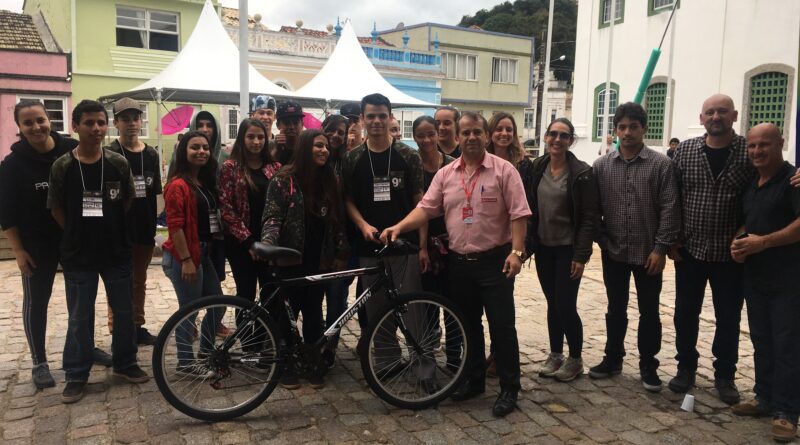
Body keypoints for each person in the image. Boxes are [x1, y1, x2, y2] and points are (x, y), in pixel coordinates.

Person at [381, 110, 530, 418]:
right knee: (467, 327)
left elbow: (519, 213)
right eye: (466, 133)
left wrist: (516, 252)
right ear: (458, 138)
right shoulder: (446, 175)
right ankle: (474, 380)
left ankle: (509, 388)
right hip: (460, 263)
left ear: (485, 136)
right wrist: (399, 227)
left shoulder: (504, 171)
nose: (472, 137)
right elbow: (426, 208)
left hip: (495, 262)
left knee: (502, 327)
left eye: (477, 132)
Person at [47, 100, 149, 403]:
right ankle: (77, 373)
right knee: (80, 315)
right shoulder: (63, 166)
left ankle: (125, 362)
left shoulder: (117, 162)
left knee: (124, 310)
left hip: (116, 251)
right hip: (78, 254)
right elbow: (55, 208)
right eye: (89, 123)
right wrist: (77, 231)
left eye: (101, 123)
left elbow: (127, 199)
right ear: (76, 126)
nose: (96, 128)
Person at [669, 94, 754, 404]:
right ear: (701, 117)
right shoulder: (686, 151)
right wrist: (672, 238)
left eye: (722, 111)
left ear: (733, 115)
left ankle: (725, 374)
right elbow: (673, 196)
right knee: (685, 313)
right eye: (710, 112)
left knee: (729, 316)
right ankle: (685, 368)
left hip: (730, 253)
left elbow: (763, 190)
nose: (716, 116)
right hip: (690, 250)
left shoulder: (749, 151)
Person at [589, 103, 680, 392]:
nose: (627, 132)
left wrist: (661, 248)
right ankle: (613, 357)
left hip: (647, 253)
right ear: (615, 130)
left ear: (644, 129)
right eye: (622, 127)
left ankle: (648, 364)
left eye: (634, 126)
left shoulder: (660, 164)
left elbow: (669, 207)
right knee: (615, 308)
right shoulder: (602, 166)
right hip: (614, 252)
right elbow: (593, 209)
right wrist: (602, 240)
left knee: (649, 311)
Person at [341, 93, 430, 383]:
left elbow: (422, 203)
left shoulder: (408, 156)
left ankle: (423, 368)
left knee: (414, 307)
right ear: (363, 120)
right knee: (377, 309)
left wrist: (422, 245)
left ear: (390, 117)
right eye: (371, 116)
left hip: (405, 247)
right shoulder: (353, 158)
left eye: (382, 115)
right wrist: (363, 225)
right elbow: (348, 201)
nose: (377, 121)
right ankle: (387, 364)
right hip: (370, 246)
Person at [261, 129, 349, 389]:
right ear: (304, 148)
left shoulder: (329, 179)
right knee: (286, 315)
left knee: (313, 313)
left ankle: (312, 361)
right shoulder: (283, 179)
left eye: (325, 147)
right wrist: (269, 243)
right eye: (317, 146)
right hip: (290, 258)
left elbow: (337, 220)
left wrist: (341, 251)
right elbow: (272, 216)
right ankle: (285, 364)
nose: (323, 150)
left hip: (318, 258)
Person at [0, 99, 78, 389]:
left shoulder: (71, 149)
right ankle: (39, 362)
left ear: (50, 120)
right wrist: (18, 250)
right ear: (19, 128)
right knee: (37, 301)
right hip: (35, 244)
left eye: (40, 120)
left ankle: (80, 348)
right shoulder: (12, 165)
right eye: (28, 122)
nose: (36, 127)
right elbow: (6, 213)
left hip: (71, 239)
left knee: (78, 298)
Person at [730, 123, 800, 443]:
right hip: (756, 277)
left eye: (764, 145)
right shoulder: (753, 184)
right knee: (762, 340)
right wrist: (740, 241)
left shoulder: (794, 181)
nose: (757, 151)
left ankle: (786, 411)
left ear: (781, 144)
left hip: (788, 279)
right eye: (752, 146)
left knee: (787, 344)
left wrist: (764, 243)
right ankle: (764, 397)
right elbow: (751, 221)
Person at [529, 118, 599, 382]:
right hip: (544, 248)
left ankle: (576, 359)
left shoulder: (581, 173)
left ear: (571, 141)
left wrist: (581, 256)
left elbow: (589, 217)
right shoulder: (538, 167)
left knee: (566, 304)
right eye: (553, 134)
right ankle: (556, 354)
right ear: (546, 137)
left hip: (568, 249)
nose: (557, 140)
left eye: (564, 136)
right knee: (551, 303)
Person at [160, 131, 224, 375]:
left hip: (202, 253)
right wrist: (186, 260)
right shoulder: (178, 185)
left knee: (218, 305)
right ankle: (185, 363)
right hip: (183, 256)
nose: (201, 152)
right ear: (183, 152)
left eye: (205, 147)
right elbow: (174, 225)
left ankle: (206, 352)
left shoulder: (203, 182)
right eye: (194, 147)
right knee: (188, 310)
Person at [105, 97, 162, 346]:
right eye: (125, 118)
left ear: (141, 121)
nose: (131, 123)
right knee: (118, 282)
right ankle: (118, 327)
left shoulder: (151, 154)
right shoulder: (109, 154)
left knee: (139, 281)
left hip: (144, 228)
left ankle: (137, 325)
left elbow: (154, 193)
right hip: (118, 231)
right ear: (116, 122)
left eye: (135, 118)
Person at [484, 112, 533, 376]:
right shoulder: (479, 159)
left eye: (509, 129)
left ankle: (500, 355)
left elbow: (526, 206)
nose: (504, 133)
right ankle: (495, 353)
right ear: (490, 132)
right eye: (499, 129)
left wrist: (522, 245)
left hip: (509, 243)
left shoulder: (523, 164)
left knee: (502, 304)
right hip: (484, 238)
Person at [218, 119, 280, 314]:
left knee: (269, 293)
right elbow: (226, 208)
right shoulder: (230, 167)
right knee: (245, 293)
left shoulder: (275, 167)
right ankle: (247, 343)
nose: (256, 141)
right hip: (241, 243)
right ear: (242, 138)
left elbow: (280, 206)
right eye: (251, 136)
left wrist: (267, 241)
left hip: (269, 241)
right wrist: (249, 242)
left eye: (260, 137)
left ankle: (263, 339)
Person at [413, 115, 460, 368]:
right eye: (421, 135)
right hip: (425, 245)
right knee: (428, 301)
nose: (427, 139)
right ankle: (428, 353)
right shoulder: (413, 166)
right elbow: (419, 208)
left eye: (431, 133)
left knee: (454, 302)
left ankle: (454, 357)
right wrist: (421, 246)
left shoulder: (452, 165)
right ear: (415, 137)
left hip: (453, 242)